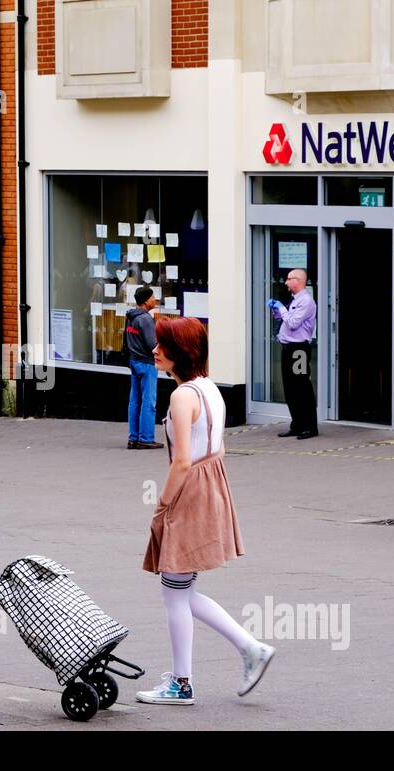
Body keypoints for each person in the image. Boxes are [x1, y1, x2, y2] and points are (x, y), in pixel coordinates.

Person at [136, 317, 275, 706]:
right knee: (180, 589)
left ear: (181, 351)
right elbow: (218, 448)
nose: (154, 350)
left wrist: (163, 504)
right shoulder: (210, 389)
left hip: (190, 491)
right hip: (212, 486)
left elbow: (181, 461)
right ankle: (250, 649)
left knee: (174, 594)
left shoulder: (181, 397)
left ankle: (183, 683)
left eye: (162, 345)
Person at [268, 268, 319, 439]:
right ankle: (297, 424)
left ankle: (309, 427)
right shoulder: (295, 300)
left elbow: (293, 323)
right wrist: (277, 311)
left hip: (299, 350)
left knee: (302, 387)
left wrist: (281, 309)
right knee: (290, 388)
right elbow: (285, 319)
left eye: (289, 279)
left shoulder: (306, 301)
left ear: (298, 280)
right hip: (288, 348)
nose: (286, 282)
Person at [124, 286, 164, 450]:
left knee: (135, 401)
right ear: (146, 300)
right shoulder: (146, 319)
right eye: (153, 297)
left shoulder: (131, 317)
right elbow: (152, 344)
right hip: (147, 364)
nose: (155, 300)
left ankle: (133, 438)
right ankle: (146, 438)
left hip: (134, 361)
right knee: (149, 402)